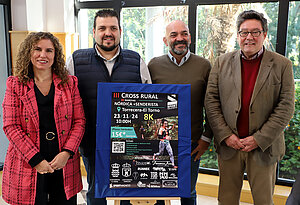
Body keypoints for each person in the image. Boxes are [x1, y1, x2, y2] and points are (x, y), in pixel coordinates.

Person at [205, 10, 295, 205]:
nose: (249, 37)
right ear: (238, 35)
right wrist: (226, 136)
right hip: (230, 145)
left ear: (264, 35)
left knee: (264, 201)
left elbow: (286, 107)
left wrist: (259, 138)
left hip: (263, 147)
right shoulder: (221, 63)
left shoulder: (282, 65)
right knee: (226, 200)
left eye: (255, 32)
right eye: (244, 32)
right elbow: (211, 102)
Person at [66, 9, 151, 205]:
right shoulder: (75, 60)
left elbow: (149, 101)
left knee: (128, 193)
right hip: (92, 142)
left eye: (113, 28)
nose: (108, 33)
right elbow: (65, 102)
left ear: (120, 31)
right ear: (94, 32)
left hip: (130, 143)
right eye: (102, 28)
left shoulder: (136, 60)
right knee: (97, 193)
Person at [1, 32, 85, 205]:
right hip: (28, 161)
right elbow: (11, 126)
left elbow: (79, 121)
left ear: (56, 55)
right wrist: (36, 160)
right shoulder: (15, 84)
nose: (43, 55)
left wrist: (67, 153)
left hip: (62, 161)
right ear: (28, 53)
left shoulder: (70, 83)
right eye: (37, 49)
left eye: (49, 50)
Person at [148, 20, 213, 205]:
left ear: (190, 37)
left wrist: (206, 138)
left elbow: (212, 105)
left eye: (184, 34)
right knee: (158, 192)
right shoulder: (153, 65)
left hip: (191, 143)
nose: (179, 38)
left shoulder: (204, 66)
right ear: (165, 40)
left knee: (188, 192)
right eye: (174, 35)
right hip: (161, 140)